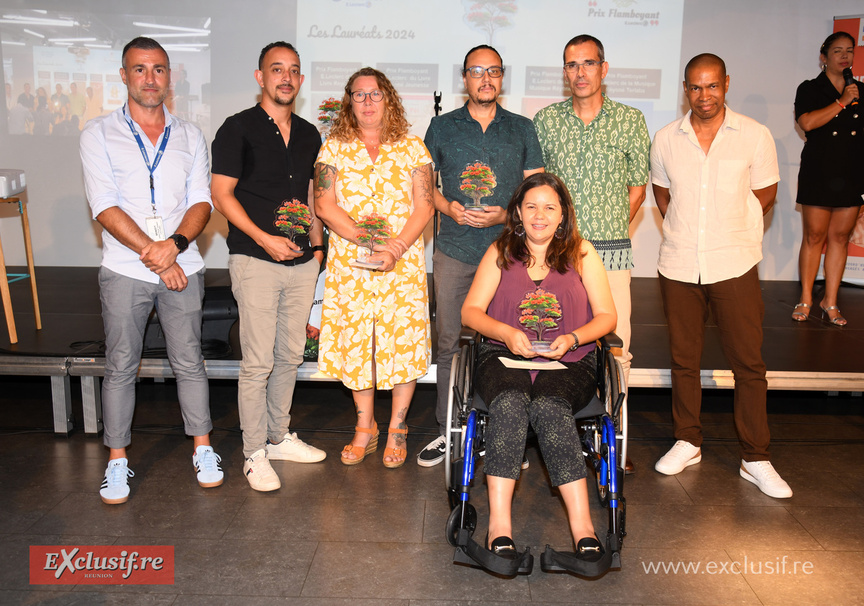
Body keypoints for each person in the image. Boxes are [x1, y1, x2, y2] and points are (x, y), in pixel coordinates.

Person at [79, 37, 222, 504]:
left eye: (158, 69)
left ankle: (203, 448)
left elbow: (202, 201)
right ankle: (117, 461)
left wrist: (175, 248)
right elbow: (104, 206)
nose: (149, 78)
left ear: (169, 77)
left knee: (190, 362)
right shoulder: (98, 133)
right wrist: (158, 256)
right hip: (126, 269)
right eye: (139, 69)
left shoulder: (190, 135)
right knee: (121, 365)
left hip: (184, 264)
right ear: (124, 75)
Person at [650, 53, 792, 498]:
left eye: (712, 86)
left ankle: (755, 456)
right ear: (685, 89)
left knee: (748, 364)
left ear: (726, 84)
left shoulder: (754, 134)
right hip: (678, 263)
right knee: (684, 359)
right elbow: (662, 193)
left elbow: (764, 195)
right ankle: (687, 440)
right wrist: (692, 234)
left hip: (734, 262)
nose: (703, 95)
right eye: (695, 87)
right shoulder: (666, 138)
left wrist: (724, 233)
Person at [461, 172, 616, 567]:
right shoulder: (500, 251)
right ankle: (499, 527)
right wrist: (505, 332)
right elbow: (471, 311)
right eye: (531, 206)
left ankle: (583, 529)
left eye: (549, 207)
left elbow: (607, 317)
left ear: (562, 214)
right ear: (517, 212)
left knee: (549, 407)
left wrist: (577, 337)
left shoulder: (582, 252)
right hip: (502, 357)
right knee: (510, 403)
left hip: (569, 361)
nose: (540, 215)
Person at [417, 44, 544, 468]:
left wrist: (508, 213)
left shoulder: (523, 128)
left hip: (508, 253)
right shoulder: (441, 127)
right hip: (453, 250)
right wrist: (448, 206)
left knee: (506, 342)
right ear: (465, 78)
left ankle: (504, 434)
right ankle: (448, 431)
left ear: (502, 77)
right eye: (476, 71)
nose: (485, 79)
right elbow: (423, 188)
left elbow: (536, 193)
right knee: (450, 342)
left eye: (493, 71)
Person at [211, 41, 326, 492]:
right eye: (276, 69)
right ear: (260, 77)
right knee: (257, 361)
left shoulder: (310, 133)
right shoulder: (236, 129)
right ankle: (254, 452)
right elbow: (222, 195)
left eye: (293, 71)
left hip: (303, 264)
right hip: (255, 259)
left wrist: (317, 250)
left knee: (289, 356)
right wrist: (264, 239)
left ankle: (278, 436)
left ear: (300, 79)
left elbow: (313, 198)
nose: (285, 78)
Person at [314, 67, 435, 469]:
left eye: (375, 94)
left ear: (390, 100)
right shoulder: (332, 148)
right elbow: (324, 205)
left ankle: (398, 427)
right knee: (358, 344)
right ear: (349, 101)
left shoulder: (413, 148)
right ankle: (365, 427)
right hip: (353, 264)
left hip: (401, 265)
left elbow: (424, 205)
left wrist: (396, 247)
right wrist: (369, 242)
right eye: (359, 94)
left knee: (401, 343)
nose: (367, 102)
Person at [533, 34, 650, 397]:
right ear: (565, 72)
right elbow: (538, 190)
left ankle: (613, 440)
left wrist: (605, 233)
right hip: (555, 256)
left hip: (611, 254)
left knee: (616, 348)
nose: (580, 72)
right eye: (572, 64)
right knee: (553, 342)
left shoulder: (630, 121)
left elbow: (637, 189)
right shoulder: (546, 120)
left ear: (604, 68)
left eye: (588, 63)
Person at [792, 31, 864, 326]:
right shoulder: (810, 88)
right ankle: (806, 298)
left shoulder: (860, 90)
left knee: (840, 239)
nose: (845, 56)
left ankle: (830, 301)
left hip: (851, 174)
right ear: (824, 57)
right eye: (838, 51)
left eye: (849, 50)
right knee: (814, 237)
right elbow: (807, 122)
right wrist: (841, 102)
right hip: (819, 172)